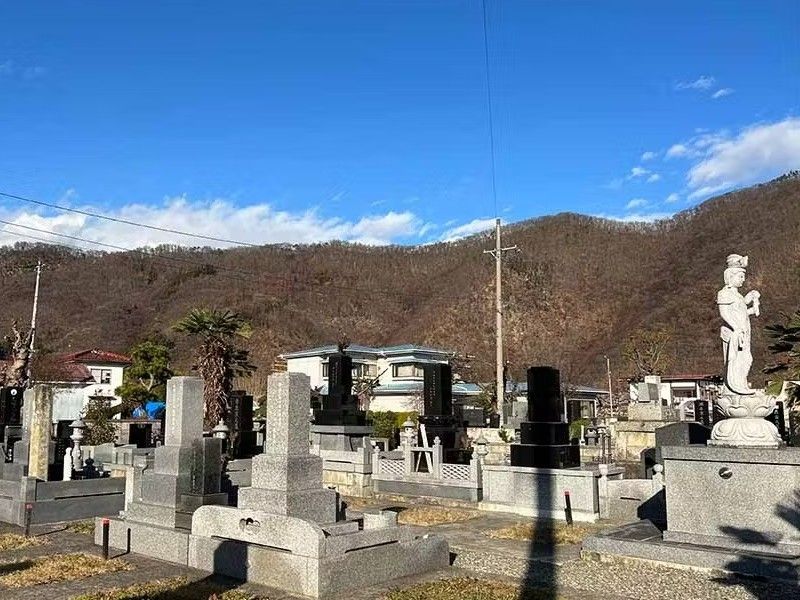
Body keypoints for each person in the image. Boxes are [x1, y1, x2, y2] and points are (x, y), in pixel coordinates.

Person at [717, 254, 760, 396]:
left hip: (744, 332)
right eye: (740, 276)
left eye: (743, 276)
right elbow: (724, 313)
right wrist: (736, 328)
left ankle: (742, 384)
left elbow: (742, 312)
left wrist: (753, 305)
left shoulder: (739, 296)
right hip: (734, 333)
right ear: (730, 276)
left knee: (747, 358)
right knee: (736, 359)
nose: (743, 279)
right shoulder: (724, 294)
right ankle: (734, 386)